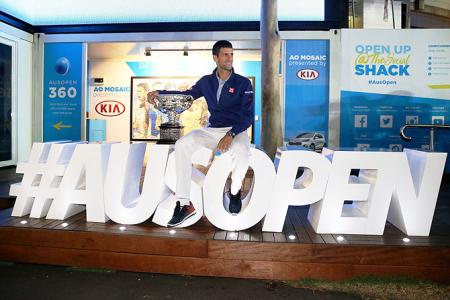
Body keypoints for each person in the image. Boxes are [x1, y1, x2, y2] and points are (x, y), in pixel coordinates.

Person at [148, 40, 254, 227]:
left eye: (231, 54)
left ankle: (235, 192)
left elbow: (248, 116)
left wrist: (231, 134)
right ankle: (184, 204)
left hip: (236, 130)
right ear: (216, 58)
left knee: (243, 154)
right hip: (212, 130)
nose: (230, 58)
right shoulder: (206, 81)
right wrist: (159, 93)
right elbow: (186, 96)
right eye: (225, 54)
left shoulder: (243, 83)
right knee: (182, 144)